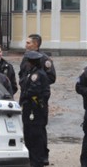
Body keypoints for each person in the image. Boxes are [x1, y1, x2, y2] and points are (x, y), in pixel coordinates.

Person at [19, 34, 55, 165]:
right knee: (28, 130)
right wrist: (26, 83)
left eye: (28, 43)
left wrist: (37, 85)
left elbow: (51, 77)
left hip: (37, 100)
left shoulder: (44, 59)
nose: (26, 45)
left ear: (36, 44)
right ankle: (32, 156)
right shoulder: (26, 58)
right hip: (26, 98)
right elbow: (21, 74)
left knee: (38, 130)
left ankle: (42, 156)